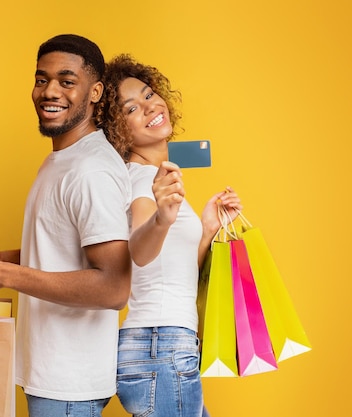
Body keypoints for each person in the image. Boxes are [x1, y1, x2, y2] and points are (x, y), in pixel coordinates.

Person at [0, 34, 132, 417]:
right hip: (52, 375)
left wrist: (3, 273)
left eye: (67, 81)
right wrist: (2, 258)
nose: (50, 91)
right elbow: (65, 246)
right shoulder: (65, 158)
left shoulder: (91, 169)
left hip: (68, 384)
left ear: (95, 91)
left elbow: (114, 286)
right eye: (41, 79)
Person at [96, 54, 243, 417]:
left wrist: (207, 229)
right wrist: (162, 217)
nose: (150, 107)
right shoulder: (142, 181)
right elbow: (140, 253)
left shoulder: (154, 176)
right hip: (160, 348)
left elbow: (166, 270)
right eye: (132, 108)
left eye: (148, 95)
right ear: (118, 128)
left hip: (161, 347)